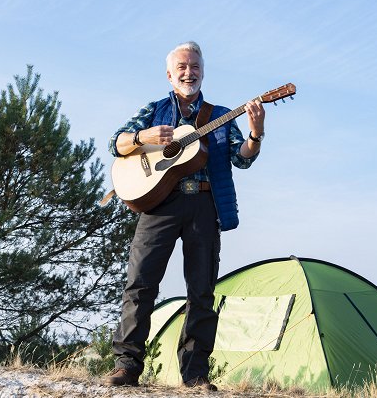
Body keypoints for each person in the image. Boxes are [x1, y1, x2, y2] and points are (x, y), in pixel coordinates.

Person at [106, 41, 265, 391]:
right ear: (169, 73)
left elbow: (242, 157)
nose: (188, 72)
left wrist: (256, 133)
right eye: (182, 66)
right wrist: (140, 137)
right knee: (140, 283)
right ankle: (127, 365)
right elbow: (115, 143)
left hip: (204, 207)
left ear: (202, 71)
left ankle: (194, 375)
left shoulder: (221, 115)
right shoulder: (154, 109)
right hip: (158, 204)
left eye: (194, 66)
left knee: (201, 291)